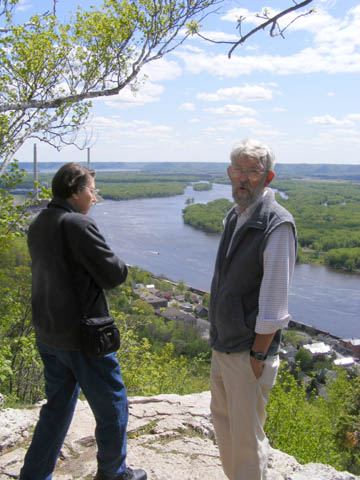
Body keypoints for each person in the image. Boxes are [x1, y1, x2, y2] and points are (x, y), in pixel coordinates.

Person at [20, 163, 147, 480]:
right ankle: (113, 472)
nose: (95, 196)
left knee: (57, 409)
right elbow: (114, 274)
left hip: (48, 334)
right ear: (76, 190)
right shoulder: (78, 224)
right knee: (112, 405)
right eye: (92, 189)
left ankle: (34, 475)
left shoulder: (39, 223)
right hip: (84, 337)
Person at [209, 139, 297, 480]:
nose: (243, 178)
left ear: (268, 177)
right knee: (225, 427)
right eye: (238, 171)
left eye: (253, 172)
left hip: (248, 352)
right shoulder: (236, 215)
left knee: (246, 439)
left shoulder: (277, 224)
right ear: (230, 173)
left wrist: (257, 357)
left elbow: (275, 303)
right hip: (223, 344)